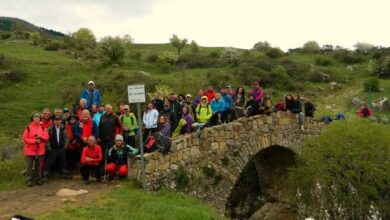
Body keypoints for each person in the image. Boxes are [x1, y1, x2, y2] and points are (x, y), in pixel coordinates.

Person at [23, 112, 49, 186]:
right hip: (29, 150)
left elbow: (46, 138)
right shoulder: (28, 127)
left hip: (39, 150)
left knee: (38, 166)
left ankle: (38, 179)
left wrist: (40, 137)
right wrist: (34, 141)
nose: (37, 118)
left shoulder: (43, 128)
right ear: (32, 118)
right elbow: (25, 139)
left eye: (38, 117)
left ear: (40, 119)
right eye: (35, 117)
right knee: (29, 166)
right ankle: (29, 180)